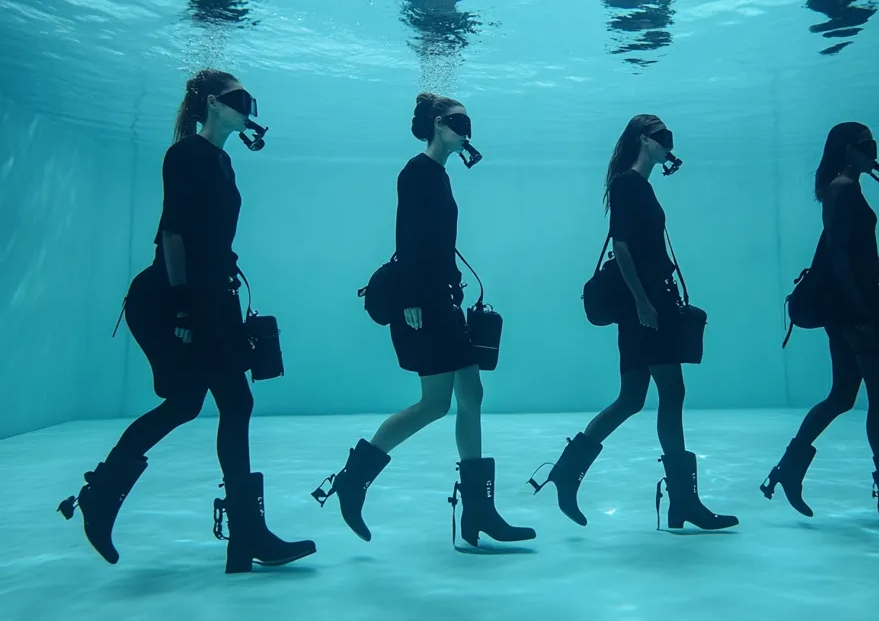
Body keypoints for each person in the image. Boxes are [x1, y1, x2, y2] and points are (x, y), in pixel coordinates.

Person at [57, 69, 316, 574]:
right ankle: (241, 533)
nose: (249, 108)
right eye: (240, 99)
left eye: (250, 100)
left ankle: (237, 533)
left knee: (199, 403)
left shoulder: (222, 161)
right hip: (172, 297)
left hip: (210, 298)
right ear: (212, 104)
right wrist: (182, 305)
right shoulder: (185, 154)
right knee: (214, 402)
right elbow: (172, 234)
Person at [314, 93, 535, 548]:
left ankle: (478, 510)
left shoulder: (440, 175)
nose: (465, 131)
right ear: (437, 125)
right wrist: (412, 296)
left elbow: (434, 241)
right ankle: (353, 479)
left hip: (443, 301)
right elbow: (407, 234)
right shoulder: (416, 172)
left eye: (468, 123)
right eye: (458, 122)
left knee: (471, 393)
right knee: (435, 403)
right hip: (423, 305)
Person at [530, 114, 738, 532]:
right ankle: (683, 501)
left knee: (632, 398)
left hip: (647, 302)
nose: (669, 145)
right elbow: (622, 248)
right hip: (644, 304)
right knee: (670, 391)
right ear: (644, 140)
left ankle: (568, 470)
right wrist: (644, 302)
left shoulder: (638, 185)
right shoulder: (628, 184)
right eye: (663, 138)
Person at [760, 121, 879, 523]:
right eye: (866, 145)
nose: (873, 152)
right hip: (856, 308)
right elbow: (840, 255)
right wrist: (861, 311)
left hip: (848, 307)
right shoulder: (843, 188)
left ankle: (789, 469)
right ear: (847, 149)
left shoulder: (840, 187)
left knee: (843, 396)